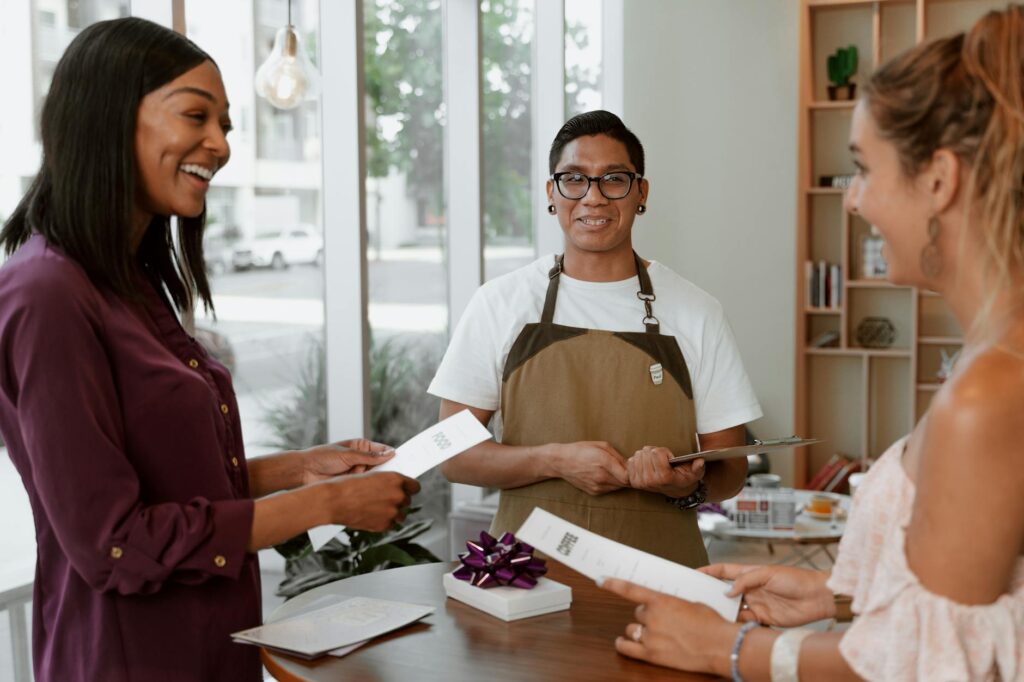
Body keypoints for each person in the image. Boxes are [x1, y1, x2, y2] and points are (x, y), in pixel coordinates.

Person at [600, 7, 1024, 681]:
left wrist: (725, 649)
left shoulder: (991, 392)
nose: (854, 201)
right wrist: (838, 596)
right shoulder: (995, 362)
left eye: (863, 169)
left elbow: (929, 666)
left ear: (939, 180)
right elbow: (991, 594)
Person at [0, 18, 419, 681]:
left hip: (211, 646)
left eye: (225, 124)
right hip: (126, 659)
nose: (220, 145)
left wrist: (299, 470)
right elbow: (113, 543)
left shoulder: (129, 280)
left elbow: (172, 484)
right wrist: (328, 507)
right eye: (196, 115)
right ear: (108, 117)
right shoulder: (47, 292)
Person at [430, 110, 762, 566]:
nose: (593, 197)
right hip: (526, 579)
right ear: (552, 192)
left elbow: (731, 468)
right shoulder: (500, 303)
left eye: (614, 179)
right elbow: (453, 454)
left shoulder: (696, 311)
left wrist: (686, 485)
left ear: (640, 191)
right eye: (574, 179)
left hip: (661, 577)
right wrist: (555, 461)